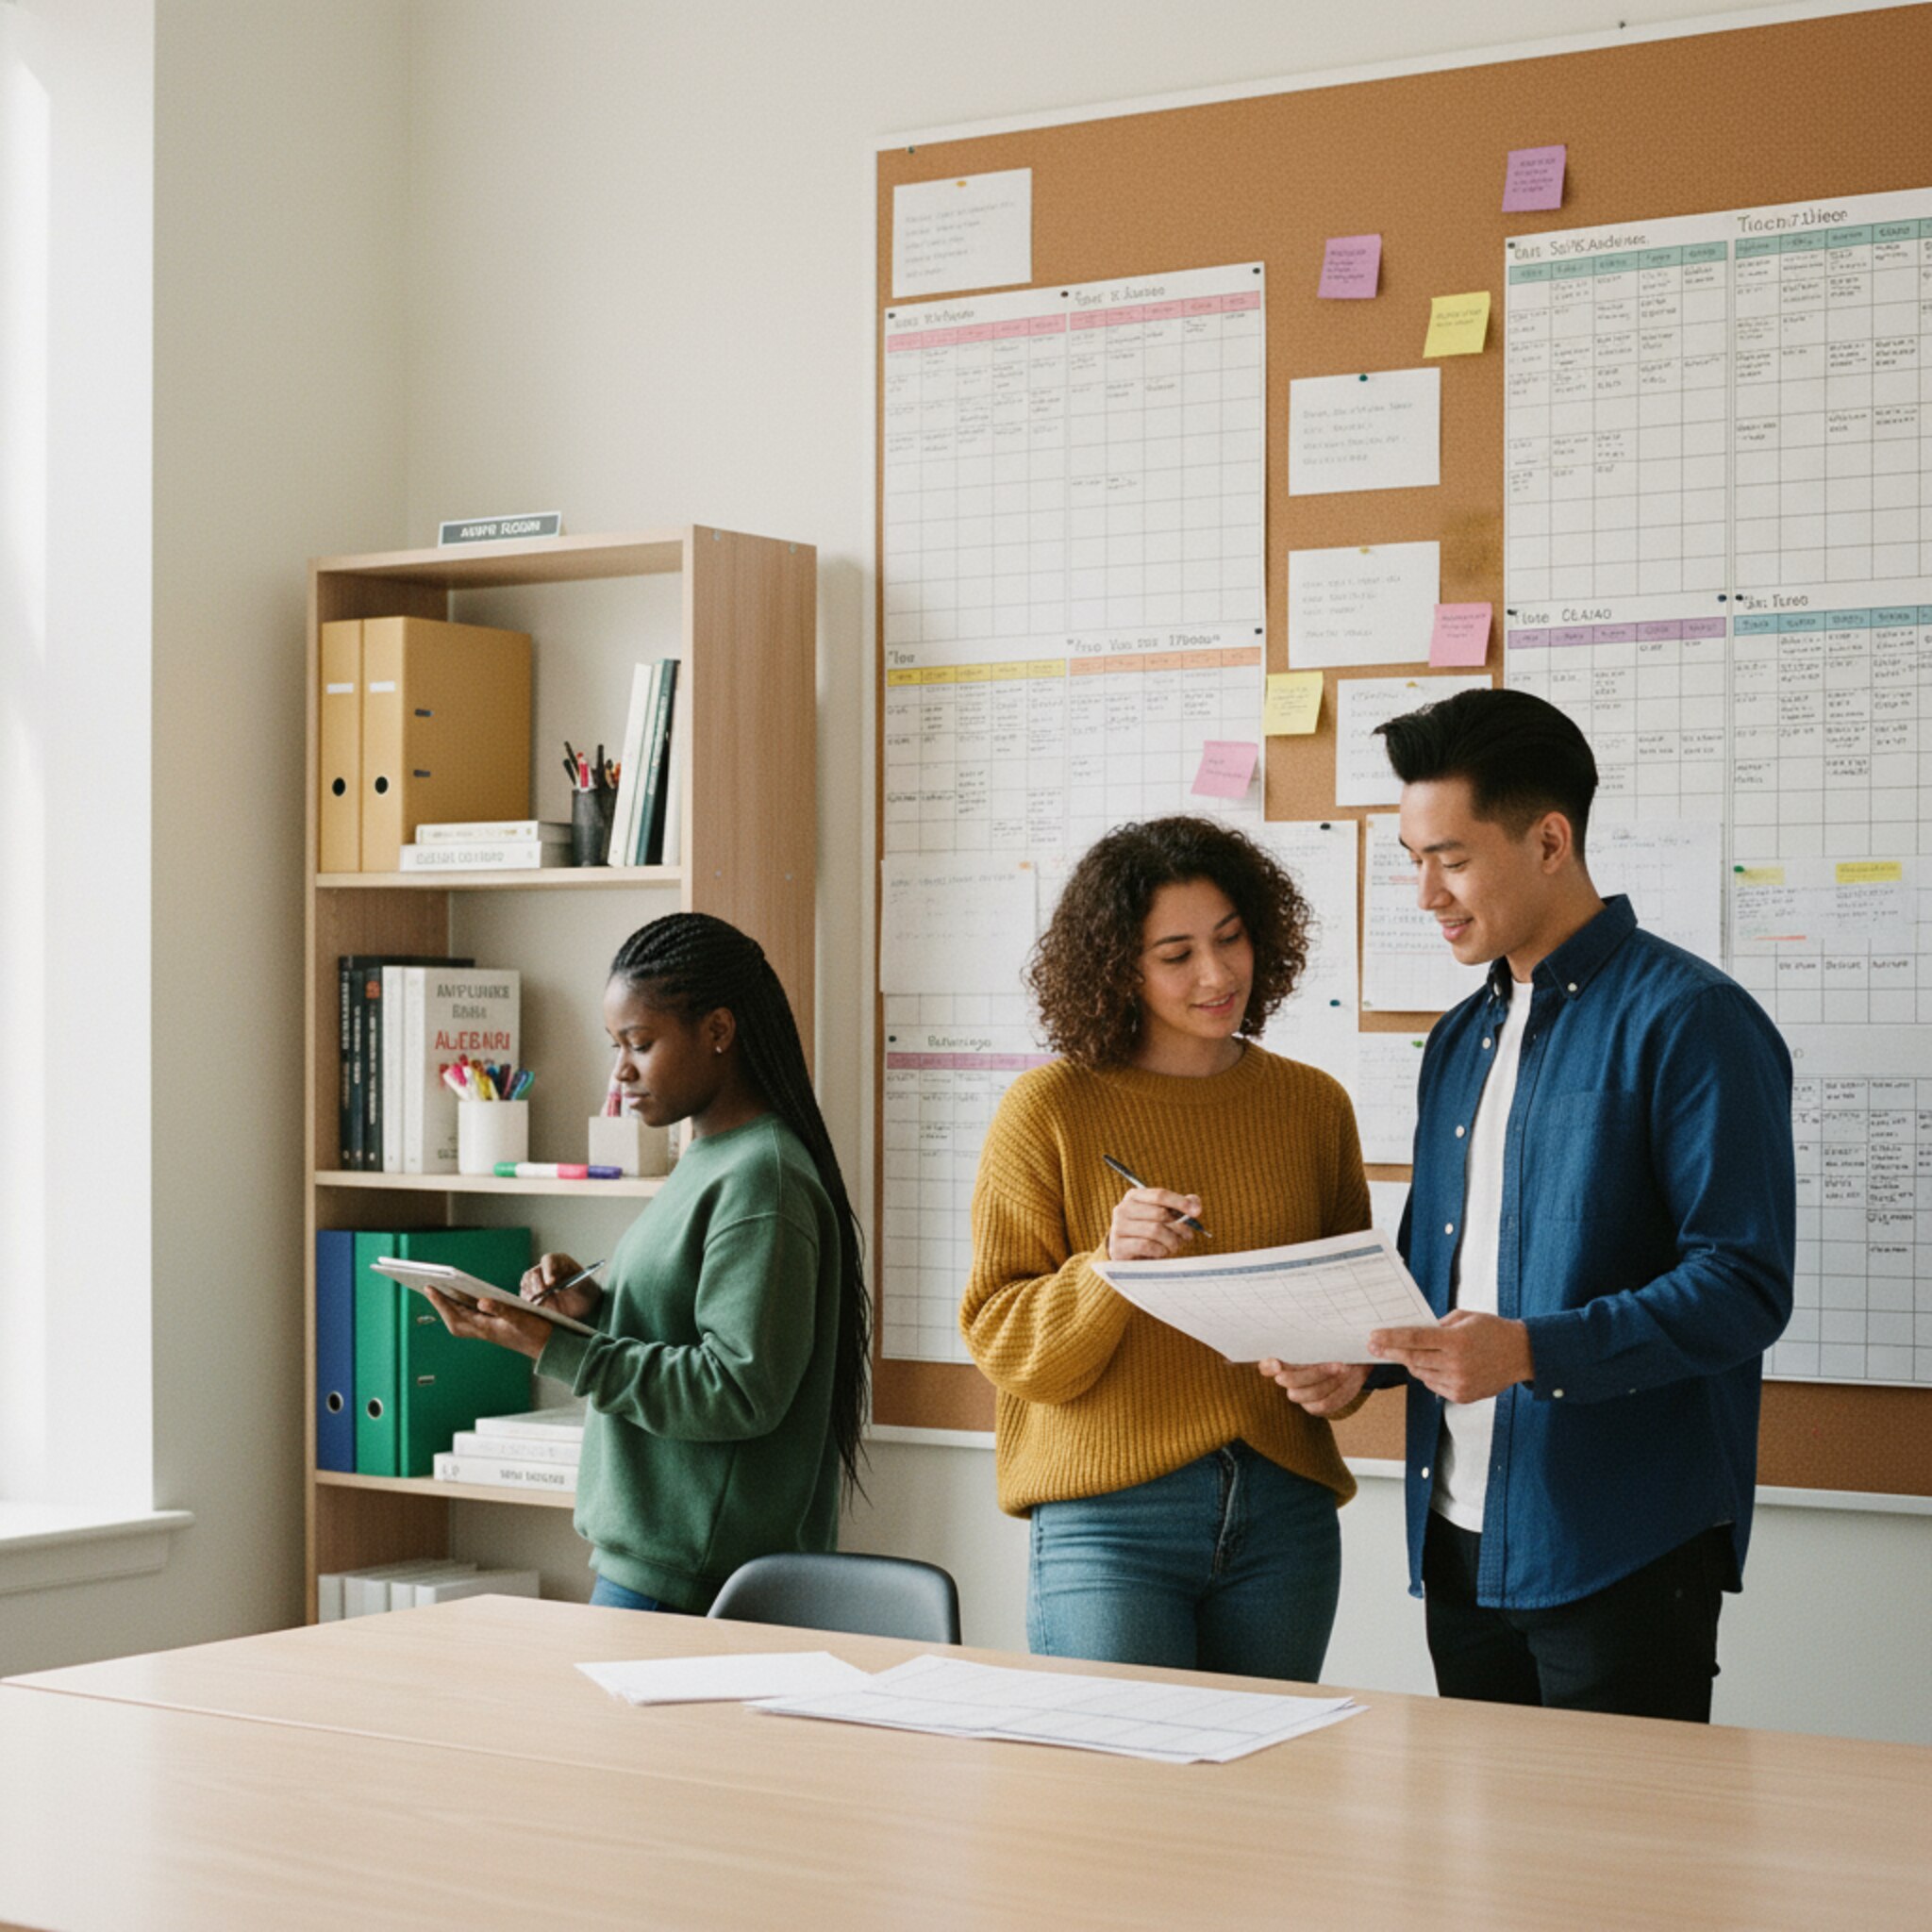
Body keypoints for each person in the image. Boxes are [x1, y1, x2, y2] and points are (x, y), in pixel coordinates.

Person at [1264, 688, 1793, 1722]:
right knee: (1480, 1829)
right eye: (1413, 859)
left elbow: (1742, 1286)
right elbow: (1439, 1273)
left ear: (1549, 841)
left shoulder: (1693, 1021)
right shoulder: (1457, 1038)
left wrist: (1530, 1350)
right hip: (1457, 1541)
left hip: (1620, 1544)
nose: (1426, 893)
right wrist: (1366, 1361)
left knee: (1615, 1833)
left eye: (1450, 858)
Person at [961, 815, 1372, 1681]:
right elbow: (1002, 1339)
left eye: (1231, 938)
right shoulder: (1048, 1110)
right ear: (1120, 968)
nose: (1217, 975)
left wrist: (1346, 1374)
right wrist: (1105, 1270)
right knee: (1122, 1764)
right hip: (1109, 1517)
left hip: (1284, 1511)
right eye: (1177, 954)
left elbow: (1348, 1309)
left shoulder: (1314, 1106)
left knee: (1268, 1765)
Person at [422, 911, 869, 1613]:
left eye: (640, 1043)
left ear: (718, 1031)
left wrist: (554, 1348)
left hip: (693, 1581)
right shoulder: (711, 1158)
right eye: (616, 1046)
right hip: (659, 1565)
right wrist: (592, 1311)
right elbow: (684, 1329)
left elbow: (738, 1390)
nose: (620, 1071)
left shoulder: (762, 1178)